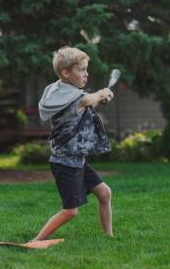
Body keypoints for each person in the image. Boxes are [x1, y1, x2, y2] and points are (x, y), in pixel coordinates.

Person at [30, 46, 114, 241]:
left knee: (104, 192)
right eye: (81, 69)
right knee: (70, 211)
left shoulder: (60, 92)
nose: (86, 73)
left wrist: (101, 96)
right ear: (65, 73)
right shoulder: (75, 98)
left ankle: (109, 237)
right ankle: (36, 241)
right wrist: (103, 93)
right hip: (66, 164)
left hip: (76, 159)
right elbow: (89, 99)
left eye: (86, 69)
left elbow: (89, 101)